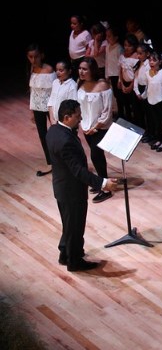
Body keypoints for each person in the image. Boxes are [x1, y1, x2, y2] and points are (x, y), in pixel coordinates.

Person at [46, 99, 116, 271]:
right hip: (71, 191)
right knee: (75, 225)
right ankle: (74, 262)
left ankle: (65, 254)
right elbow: (78, 171)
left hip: (62, 187)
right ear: (67, 117)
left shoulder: (53, 130)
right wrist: (103, 183)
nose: (81, 117)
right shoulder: (65, 141)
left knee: (69, 224)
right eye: (78, 115)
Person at [76, 57, 114, 203]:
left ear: (92, 70)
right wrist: (82, 124)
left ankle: (106, 189)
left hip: (100, 127)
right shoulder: (81, 83)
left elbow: (107, 111)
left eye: (85, 69)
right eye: (80, 68)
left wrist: (95, 127)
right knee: (95, 156)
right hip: (86, 126)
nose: (81, 71)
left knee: (96, 155)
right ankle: (101, 183)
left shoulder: (103, 85)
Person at [27, 44, 57, 176]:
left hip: (50, 106)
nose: (33, 60)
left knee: (55, 133)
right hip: (37, 107)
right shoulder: (32, 68)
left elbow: (55, 91)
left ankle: (61, 160)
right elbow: (32, 91)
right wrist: (32, 110)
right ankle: (51, 162)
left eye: (36, 56)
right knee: (42, 134)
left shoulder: (49, 70)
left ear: (42, 56)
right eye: (30, 57)